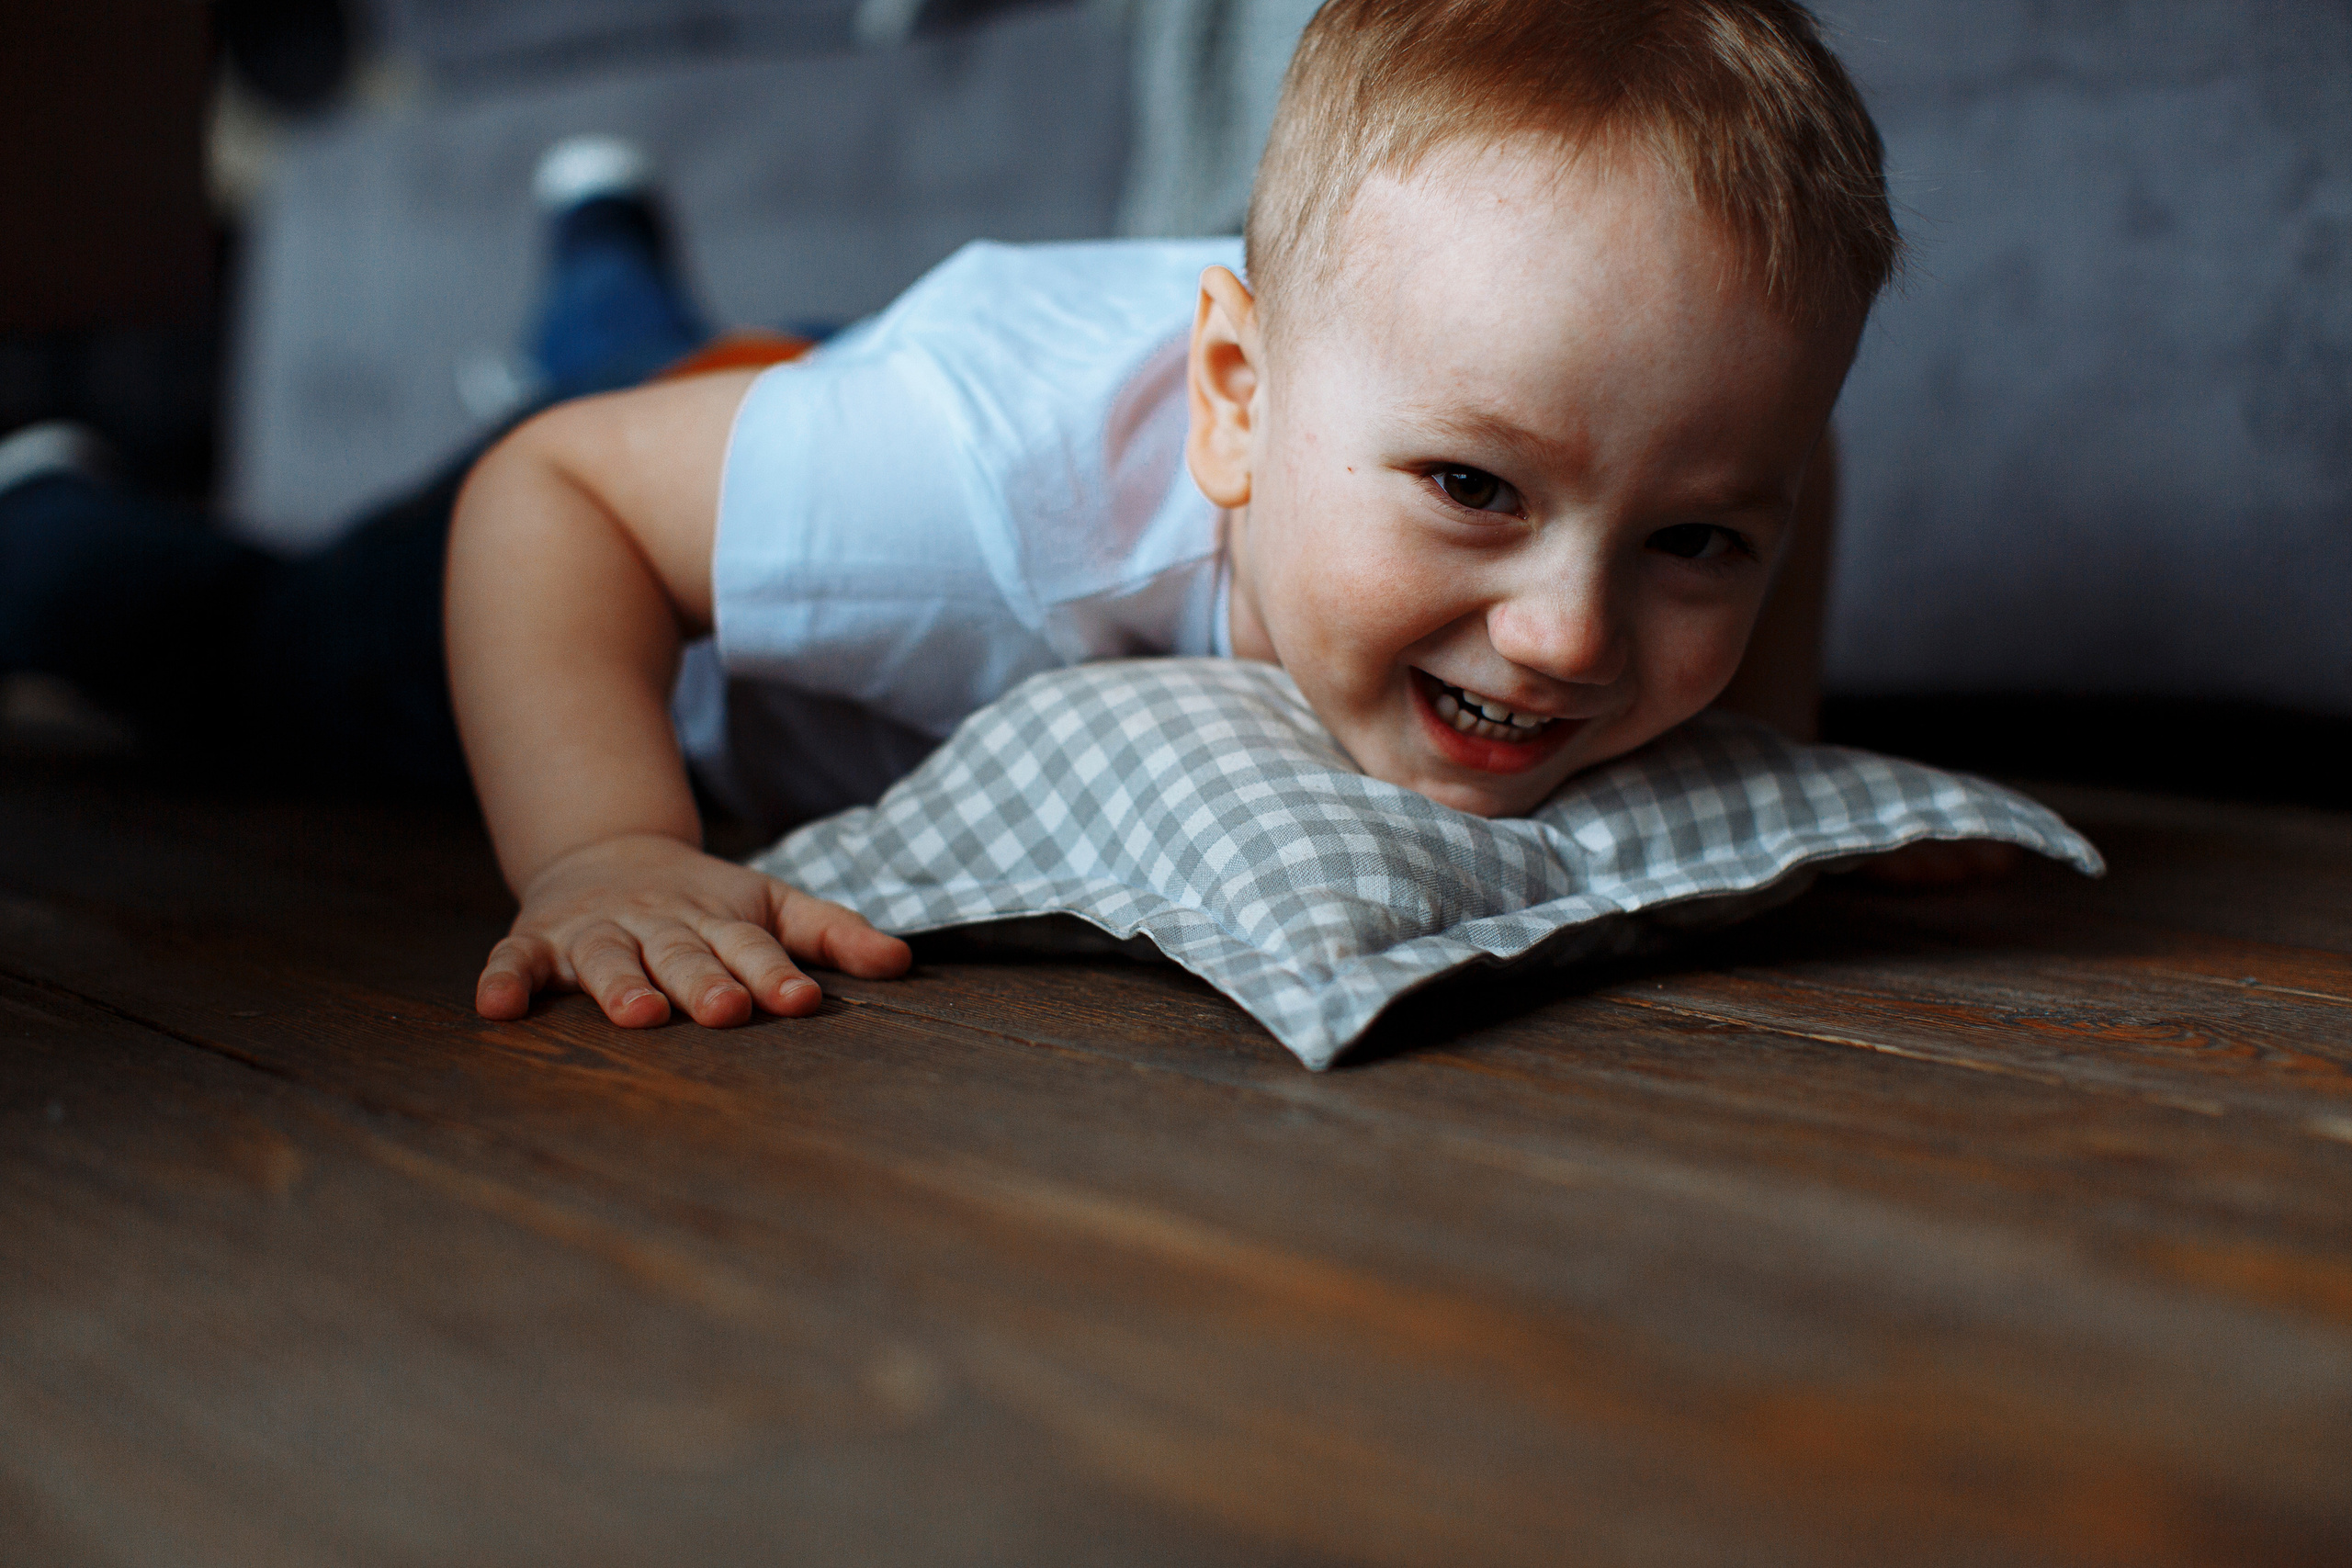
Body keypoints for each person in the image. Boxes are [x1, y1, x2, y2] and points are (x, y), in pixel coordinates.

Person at [445, 0, 1945, 1034]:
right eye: (1476, 490)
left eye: (1691, 541)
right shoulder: (967, 485)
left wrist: (1786, 778)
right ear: (1234, 397)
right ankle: (595, 268)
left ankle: (612, 272)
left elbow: (1800, 475)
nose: (1568, 634)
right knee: (307, 606)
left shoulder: (1632, 446)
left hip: (846, 388)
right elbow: (555, 496)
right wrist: (605, 850)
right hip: (648, 529)